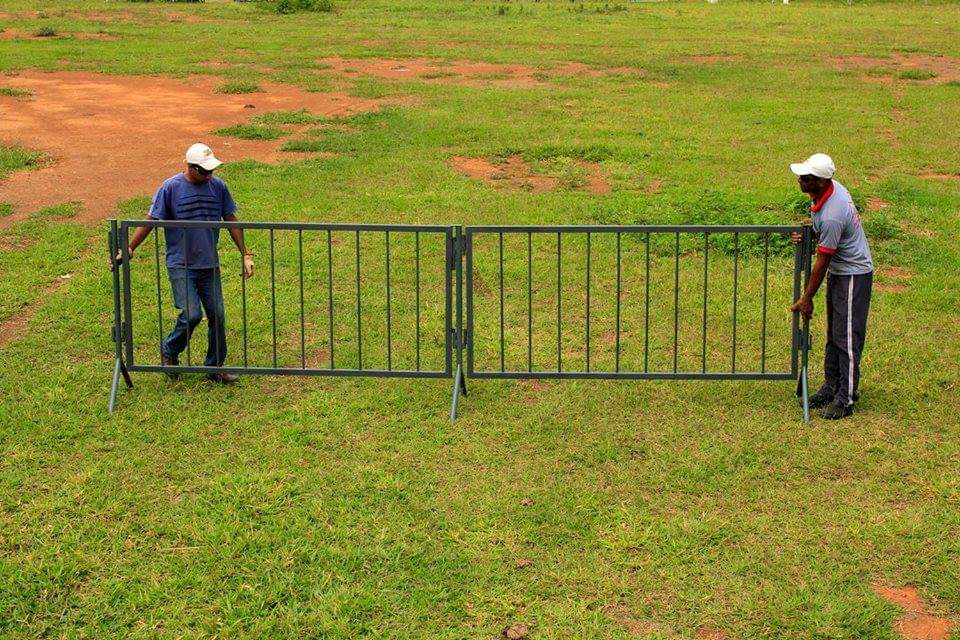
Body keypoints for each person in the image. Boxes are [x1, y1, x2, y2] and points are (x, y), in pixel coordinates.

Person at [119, 143, 254, 383]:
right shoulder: (170, 188)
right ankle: (170, 350)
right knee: (192, 314)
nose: (209, 175)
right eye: (204, 171)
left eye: (211, 170)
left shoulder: (218, 187)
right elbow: (151, 220)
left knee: (218, 315)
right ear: (190, 167)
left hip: (209, 264)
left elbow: (231, 219)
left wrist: (246, 253)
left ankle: (214, 367)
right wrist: (130, 247)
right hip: (180, 264)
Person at [789, 153, 873, 419]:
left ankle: (845, 398)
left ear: (822, 182)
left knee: (846, 336)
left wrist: (806, 297)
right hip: (842, 272)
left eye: (807, 178)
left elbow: (822, 261)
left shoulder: (833, 214)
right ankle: (831, 386)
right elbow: (825, 232)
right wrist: (810, 232)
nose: (800, 180)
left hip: (852, 275)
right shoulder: (830, 193)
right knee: (834, 333)